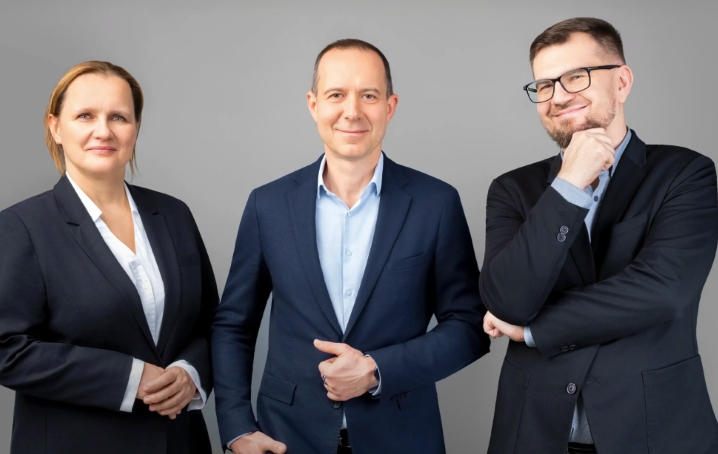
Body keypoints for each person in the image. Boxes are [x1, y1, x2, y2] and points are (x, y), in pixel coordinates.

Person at [212, 39, 490, 454]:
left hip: (402, 439)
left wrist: (378, 370)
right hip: (286, 438)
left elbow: (469, 326)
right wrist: (237, 429)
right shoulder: (267, 205)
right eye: (336, 95)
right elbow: (234, 324)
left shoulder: (436, 204)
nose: (353, 111)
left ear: (390, 107)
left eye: (369, 96)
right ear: (313, 105)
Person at [480, 17, 718, 454]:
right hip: (532, 433)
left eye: (576, 76)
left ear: (621, 82)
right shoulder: (512, 189)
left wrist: (533, 329)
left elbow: (661, 292)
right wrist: (569, 183)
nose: (558, 96)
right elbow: (506, 301)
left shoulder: (685, 173)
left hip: (654, 432)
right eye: (544, 85)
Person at [0, 61, 218, 454]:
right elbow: (6, 348)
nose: (104, 131)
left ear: (135, 128)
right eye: (85, 115)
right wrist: (130, 378)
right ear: (55, 127)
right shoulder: (21, 226)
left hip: (179, 442)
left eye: (119, 117)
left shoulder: (174, 215)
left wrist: (191, 373)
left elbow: (210, 323)